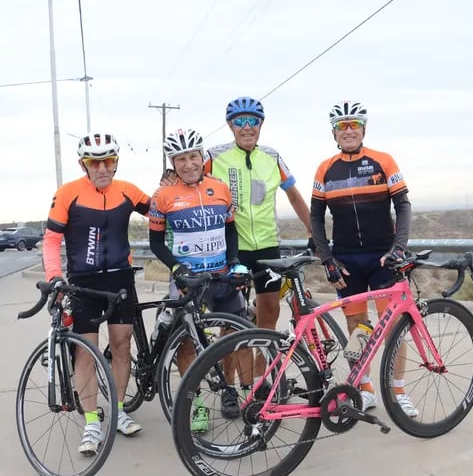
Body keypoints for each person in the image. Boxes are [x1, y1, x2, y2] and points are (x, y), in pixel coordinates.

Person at [163, 97, 314, 393]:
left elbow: (293, 195)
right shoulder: (214, 155)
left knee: (268, 313)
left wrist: (314, 231)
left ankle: (260, 378)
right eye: (240, 122)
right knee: (232, 322)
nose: (247, 127)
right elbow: (185, 175)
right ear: (230, 125)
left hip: (267, 245)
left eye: (253, 121)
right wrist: (167, 184)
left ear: (261, 124)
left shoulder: (272, 156)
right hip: (231, 249)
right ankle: (230, 387)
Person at [42, 132, 151, 455]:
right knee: (86, 352)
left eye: (109, 161)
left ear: (116, 162)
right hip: (83, 282)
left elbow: (163, 210)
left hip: (120, 280)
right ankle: (92, 420)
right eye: (95, 162)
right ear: (83, 165)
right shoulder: (68, 193)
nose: (102, 168)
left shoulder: (128, 191)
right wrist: (54, 277)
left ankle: (117, 411)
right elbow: (50, 240)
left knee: (121, 345)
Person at [309, 100, 418, 416]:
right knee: (358, 325)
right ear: (334, 133)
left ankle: (398, 391)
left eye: (353, 124)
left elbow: (404, 206)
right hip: (346, 261)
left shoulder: (383, 161)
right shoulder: (325, 169)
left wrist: (398, 248)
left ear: (363, 128)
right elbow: (316, 217)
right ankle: (365, 387)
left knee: (394, 326)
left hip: (382, 257)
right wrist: (327, 258)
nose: (348, 130)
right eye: (341, 126)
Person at [149, 128, 250, 429]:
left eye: (193, 156)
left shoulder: (220, 188)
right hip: (188, 278)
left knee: (233, 335)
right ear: (173, 162)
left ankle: (229, 392)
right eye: (180, 159)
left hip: (221, 274)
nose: (188, 164)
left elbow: (230, 228)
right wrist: (177, 269)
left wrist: (234, 262)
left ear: (202, 156)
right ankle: (197, 404)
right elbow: (155, 242)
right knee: (186, 343)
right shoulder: (163, 196)